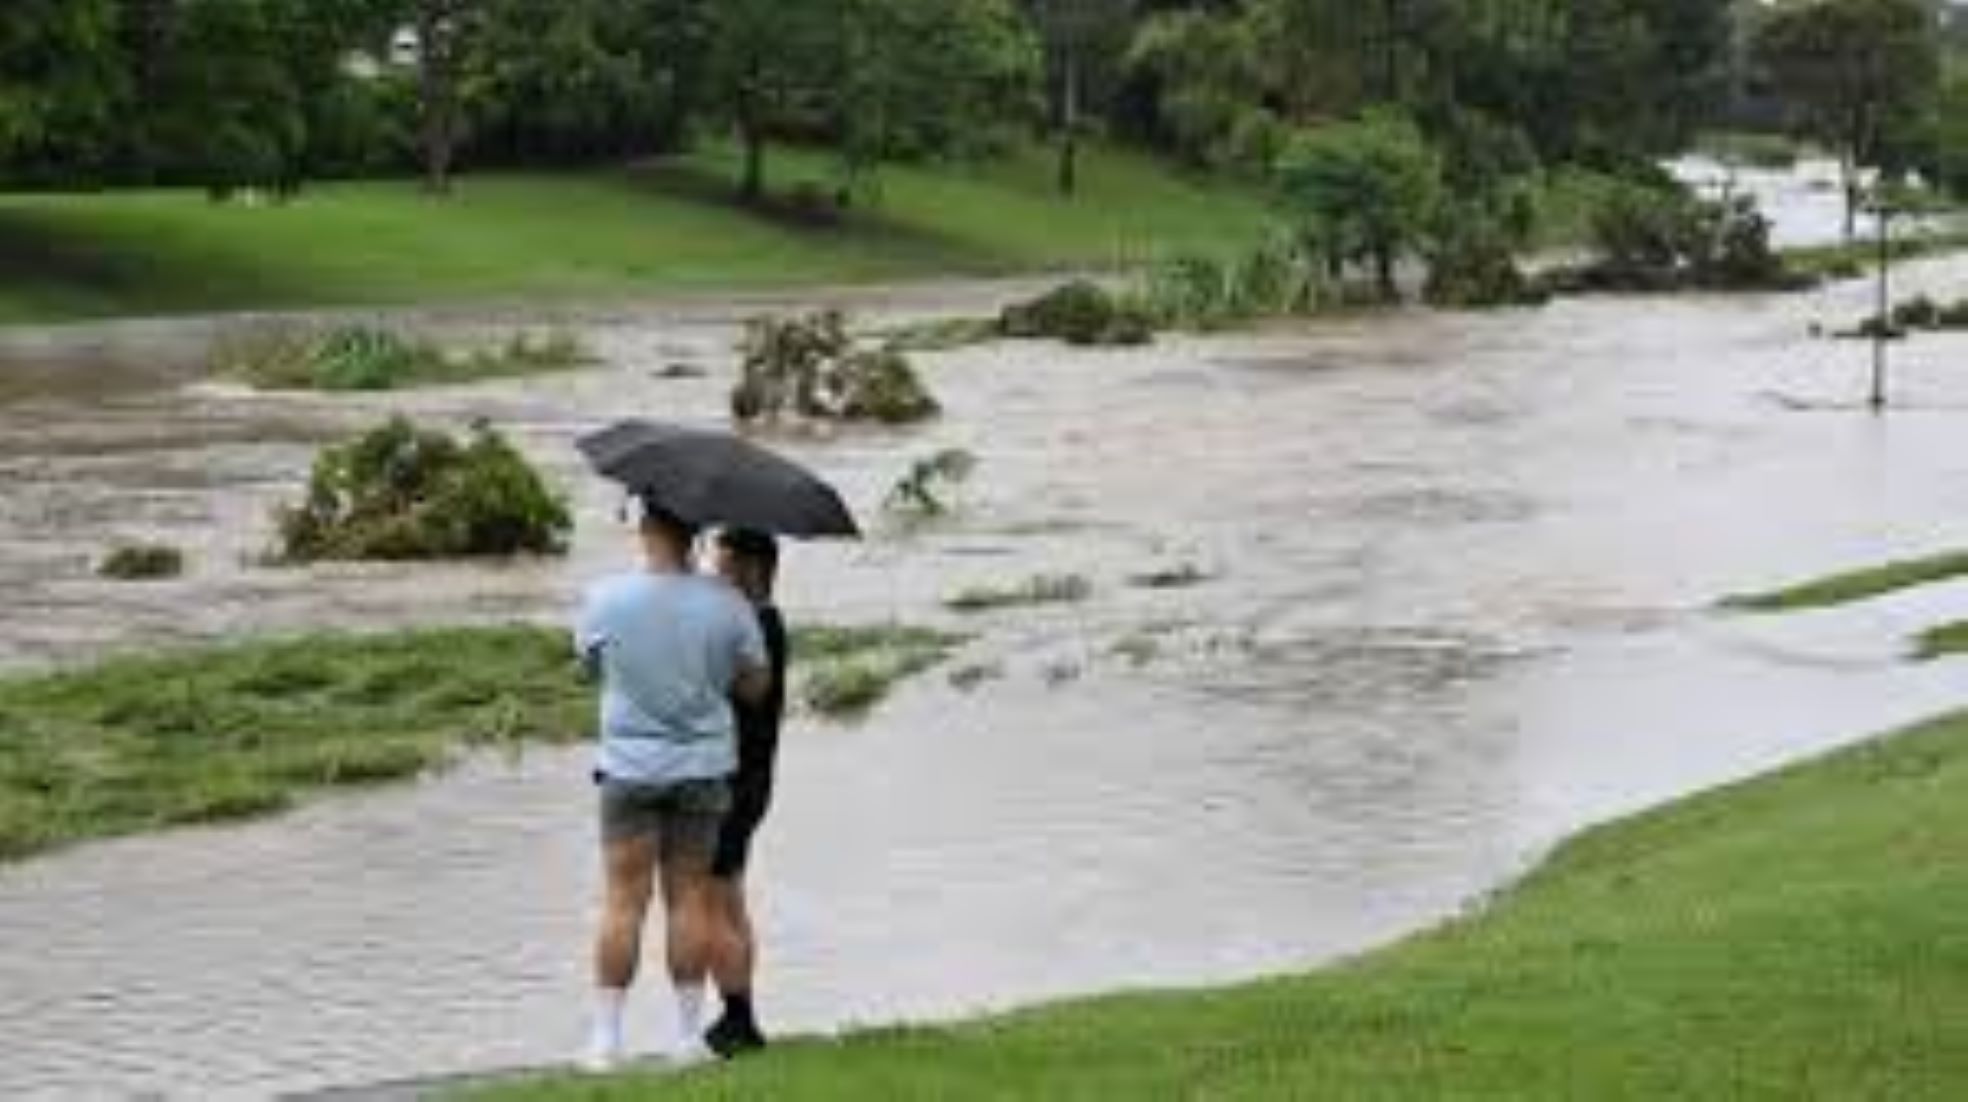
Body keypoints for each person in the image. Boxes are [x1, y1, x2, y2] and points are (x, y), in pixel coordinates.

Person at [574, 500, 773, 1070]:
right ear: (696, 534)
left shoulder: (605, 597)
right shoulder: (729, 602)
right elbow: (756, 686)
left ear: (645, 529)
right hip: (703, 769)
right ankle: (687, 1041)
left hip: (628, 769)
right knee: (688, 901)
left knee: (622, 901)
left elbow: (587, 669)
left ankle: (606, 1042)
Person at [703, 528, 789, 1057]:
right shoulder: (763, 623)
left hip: (735, 781)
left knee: (714, 903)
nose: (715, 577)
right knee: (729, 900)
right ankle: (741, 1017)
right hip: (750, 779)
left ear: (753, 571)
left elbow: (737, 691)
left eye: (724, 567)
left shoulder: (755, 629)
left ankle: (737, 1019)